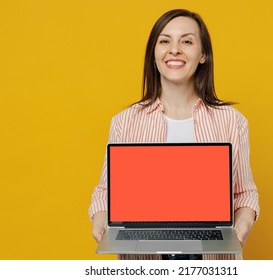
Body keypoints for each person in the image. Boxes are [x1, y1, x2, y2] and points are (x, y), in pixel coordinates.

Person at [88, 9, 260, 260]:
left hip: (210, 262)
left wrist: (242, 226)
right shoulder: (124, 122)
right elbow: (106, 192)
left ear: (203, 55)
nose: (175, 49)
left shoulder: (232, 122)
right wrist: (101, 221)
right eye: (165, 41)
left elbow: (245, 193)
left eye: (187, 41)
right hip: (145, 262)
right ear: (153, 55)